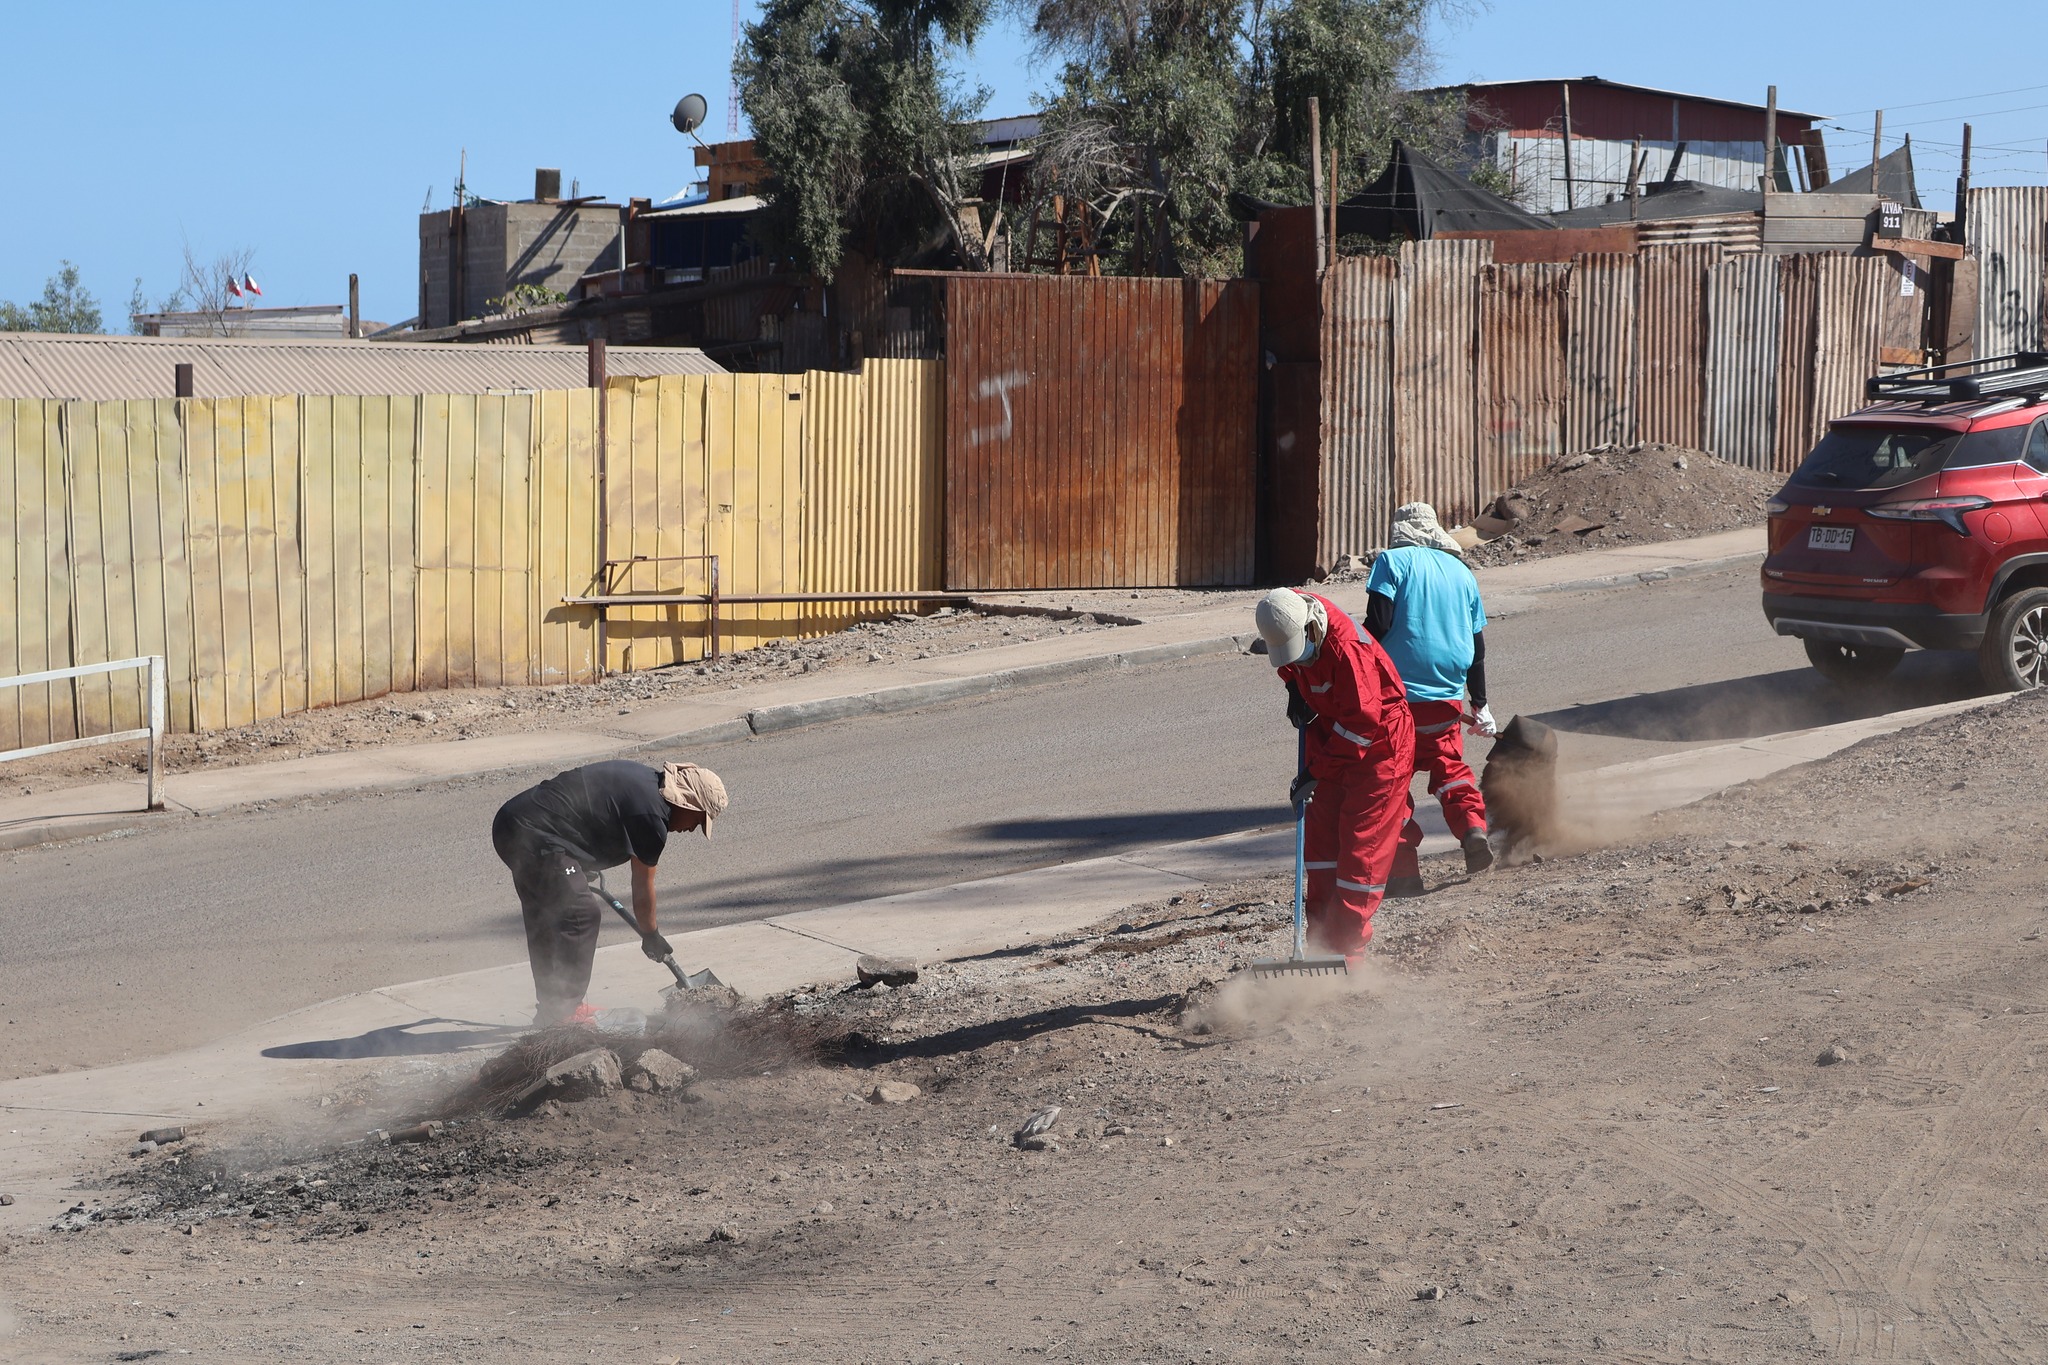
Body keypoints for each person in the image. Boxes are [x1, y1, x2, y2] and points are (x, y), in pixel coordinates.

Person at [491, 759, 728, 1026]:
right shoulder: (651, 817)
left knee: (549, 918)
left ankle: (553, 1008)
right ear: (686, 803)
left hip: (512, 824)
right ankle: (565, 1012)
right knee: (582, 915)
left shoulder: (645, 781)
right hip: (534, 836)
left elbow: (588, 811)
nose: (692, 828)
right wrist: (651, 935)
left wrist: (576, 860)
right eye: (698, 820)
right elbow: (642, 888)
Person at [1256, 586, 1416, 961]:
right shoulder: (1285, 608)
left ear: (1311, 629)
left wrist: (1317, 770)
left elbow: (1362, 724)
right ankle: (1319, 949)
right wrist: (1295, 687)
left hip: (1381, 745)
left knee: (1363, 853)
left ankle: (1346, 954)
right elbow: (1290, 662)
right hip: (1331, 731)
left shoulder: (1349, 651)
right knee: (1322, 849)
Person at [1363, 503, 1496, 896]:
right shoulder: (1462, 572)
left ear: (1400, 532)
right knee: (1450, 769)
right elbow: (1478, 645)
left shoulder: (1390, 562)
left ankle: (1404, 874)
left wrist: (1356, 653)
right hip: (1446, 700)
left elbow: (1379, 624)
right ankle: (1473, 830)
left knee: (1391, 785)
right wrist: (1481, 702)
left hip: (1396, 701)